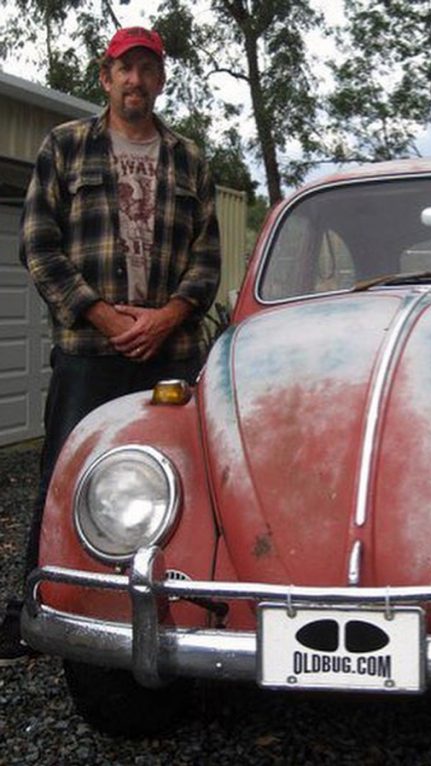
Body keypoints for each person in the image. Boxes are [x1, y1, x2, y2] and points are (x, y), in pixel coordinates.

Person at [0, 26, 221, 664]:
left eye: (148, 69)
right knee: (64, 476)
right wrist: (104, 318)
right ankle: (37, 609)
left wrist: (165, 318)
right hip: (88, 354)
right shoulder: (66, 146)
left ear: (161, 80)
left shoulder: (190, 159)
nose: (136, 81)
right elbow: (38, 247)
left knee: (182, 481)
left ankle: (192, 607)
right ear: (106, 76)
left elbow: (207, 260)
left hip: (171, 356)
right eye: (126, 68)